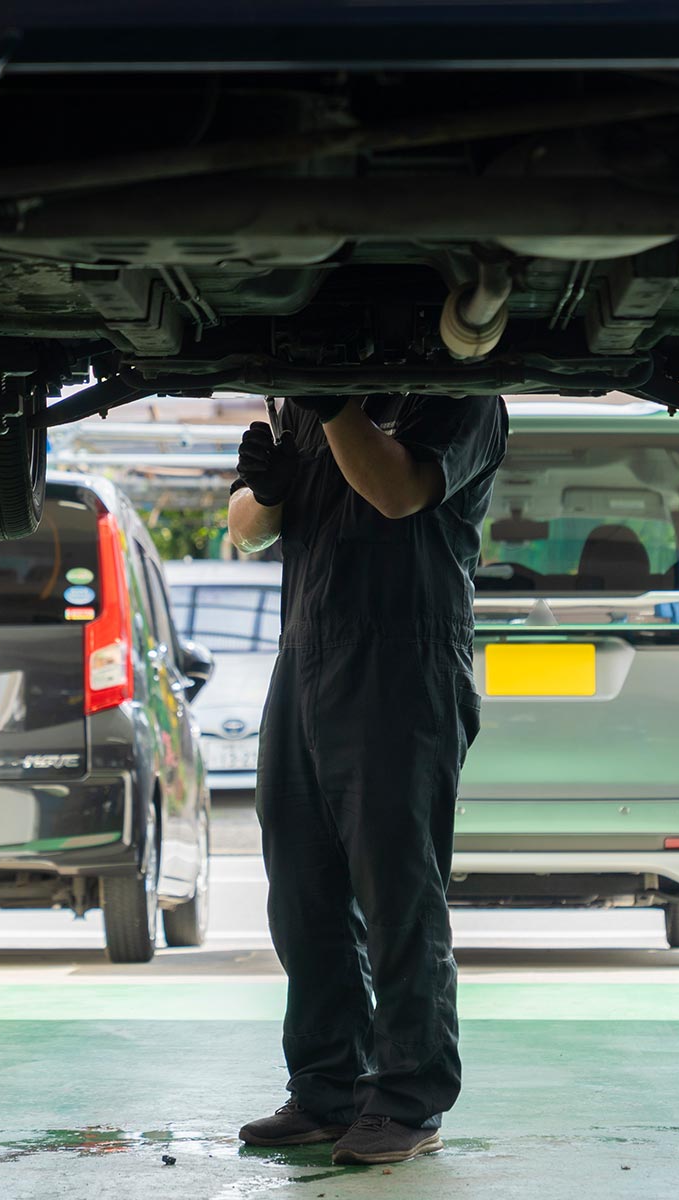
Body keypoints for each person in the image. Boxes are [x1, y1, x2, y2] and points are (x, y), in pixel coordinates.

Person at [229, 394, 508, 1166]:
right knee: (301, 892)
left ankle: (410, 1099)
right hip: (306, 658)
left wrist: (332, 409)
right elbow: (245, 531)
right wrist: (270, 488)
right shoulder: (307, 409)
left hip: (403, 660)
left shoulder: (458, 396)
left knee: (398, 893)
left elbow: (396, 491)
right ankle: (324, 1090)